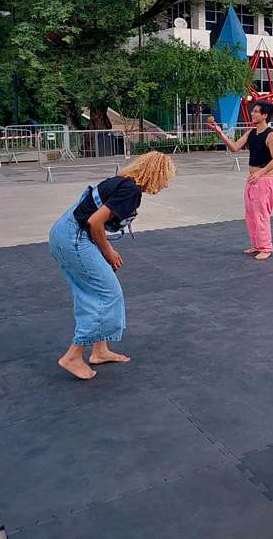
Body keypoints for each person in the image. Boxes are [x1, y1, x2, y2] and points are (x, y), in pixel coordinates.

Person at [50, 151, 177, 380]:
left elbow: (89, 216)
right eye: (165, 179)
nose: (165, 186)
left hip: (63, 233)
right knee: (109, 294)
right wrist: (107, 252)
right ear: (155, 174)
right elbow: (94, 222)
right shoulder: (131, 191)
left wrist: (101, 254)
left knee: (91, 292)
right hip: (74, 238)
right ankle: (72, 355)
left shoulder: (120, 182)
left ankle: (99, 350)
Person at [210, 101, 273, 259]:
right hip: (252, 179)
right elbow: (235, 147)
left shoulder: (271, 135)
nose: (252, 114)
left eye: (256, 111)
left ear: (264, 115)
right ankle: (257, 244)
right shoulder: (251, 133)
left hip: (264, 180)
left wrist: (261, 173)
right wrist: (220, 133)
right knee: (251, 214)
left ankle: (266, 247)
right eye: (253, 111)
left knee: (261, 214)